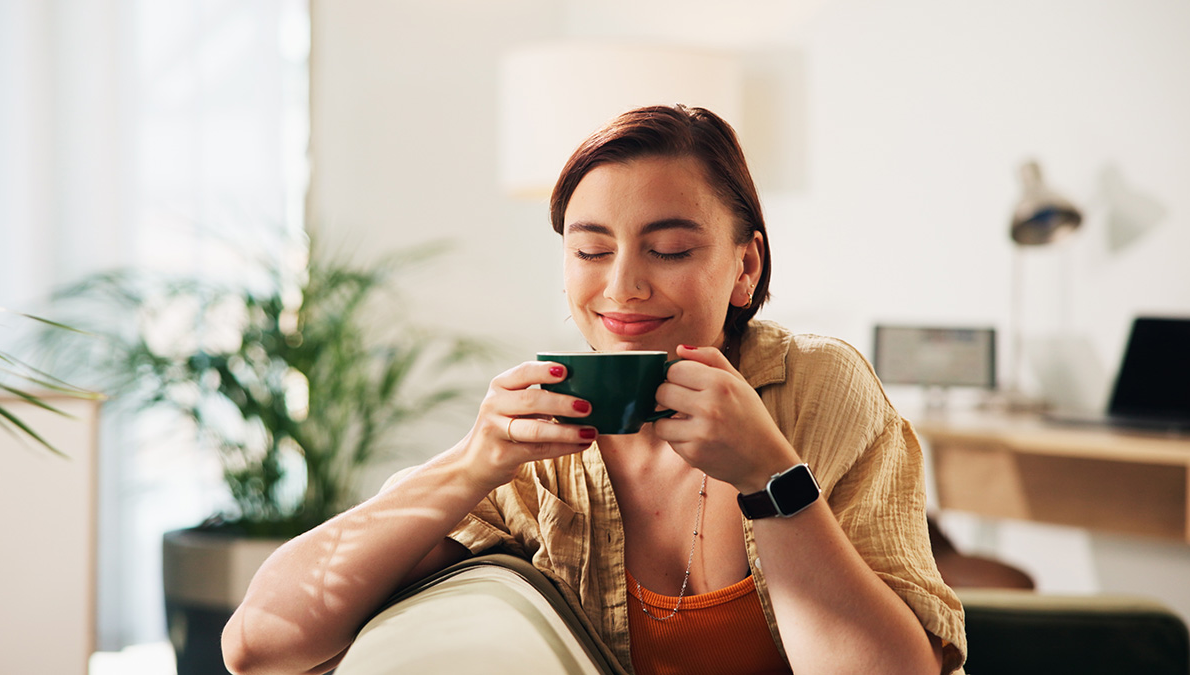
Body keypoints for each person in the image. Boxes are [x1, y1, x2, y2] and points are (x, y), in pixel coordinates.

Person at [222, 104, 967, 675]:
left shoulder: (819, 389)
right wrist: (472, 463)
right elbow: (259, 643)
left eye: (670, 248)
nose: (623, 286)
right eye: (590, 249)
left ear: (746, 268)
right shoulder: (541, 447)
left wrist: (772, 477)